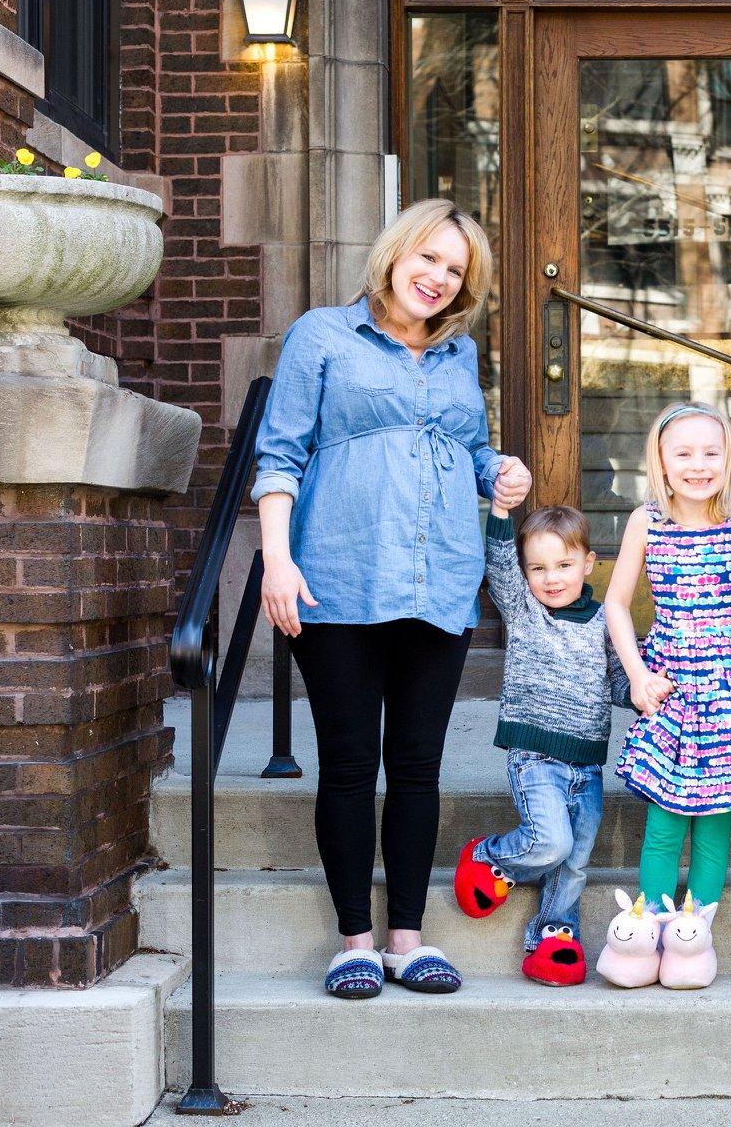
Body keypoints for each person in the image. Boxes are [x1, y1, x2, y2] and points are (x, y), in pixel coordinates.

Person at [252, 198, 532, 999]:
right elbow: (279, 454)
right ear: (395, 253)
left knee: (417, 767)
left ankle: (408, 940)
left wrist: (497, 471)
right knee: (348, 764)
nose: (439, 279)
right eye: (430, 259)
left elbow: (468, 448)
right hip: (337, 578)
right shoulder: (323, 336)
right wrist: (277, 561)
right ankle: (353, 941)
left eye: (457, 271)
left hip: (439, 579)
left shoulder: (457, 355)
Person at [603, 402, 731, 987]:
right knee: (666, 823)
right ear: (661, 464)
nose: (699, 465)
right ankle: (645, 932)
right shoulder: (648, 521)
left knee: (716, 821)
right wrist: (637, 675)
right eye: (683, 454)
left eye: (711, 453)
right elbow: (616, 602)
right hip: (675, 690)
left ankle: (694, 935)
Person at [449, 501, 634, 987]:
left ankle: (554, 932)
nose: (551, 578)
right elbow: (499, 564)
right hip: (535, 758)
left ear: (589, 563)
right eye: (538, 567)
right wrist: (502, 510)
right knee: (550, 841)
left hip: (587, 764)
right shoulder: (524, 609)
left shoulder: (604, 622)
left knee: (574, 860)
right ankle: (490, 857)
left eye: (564, 565)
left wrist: (647, 688)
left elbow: (619, 682)